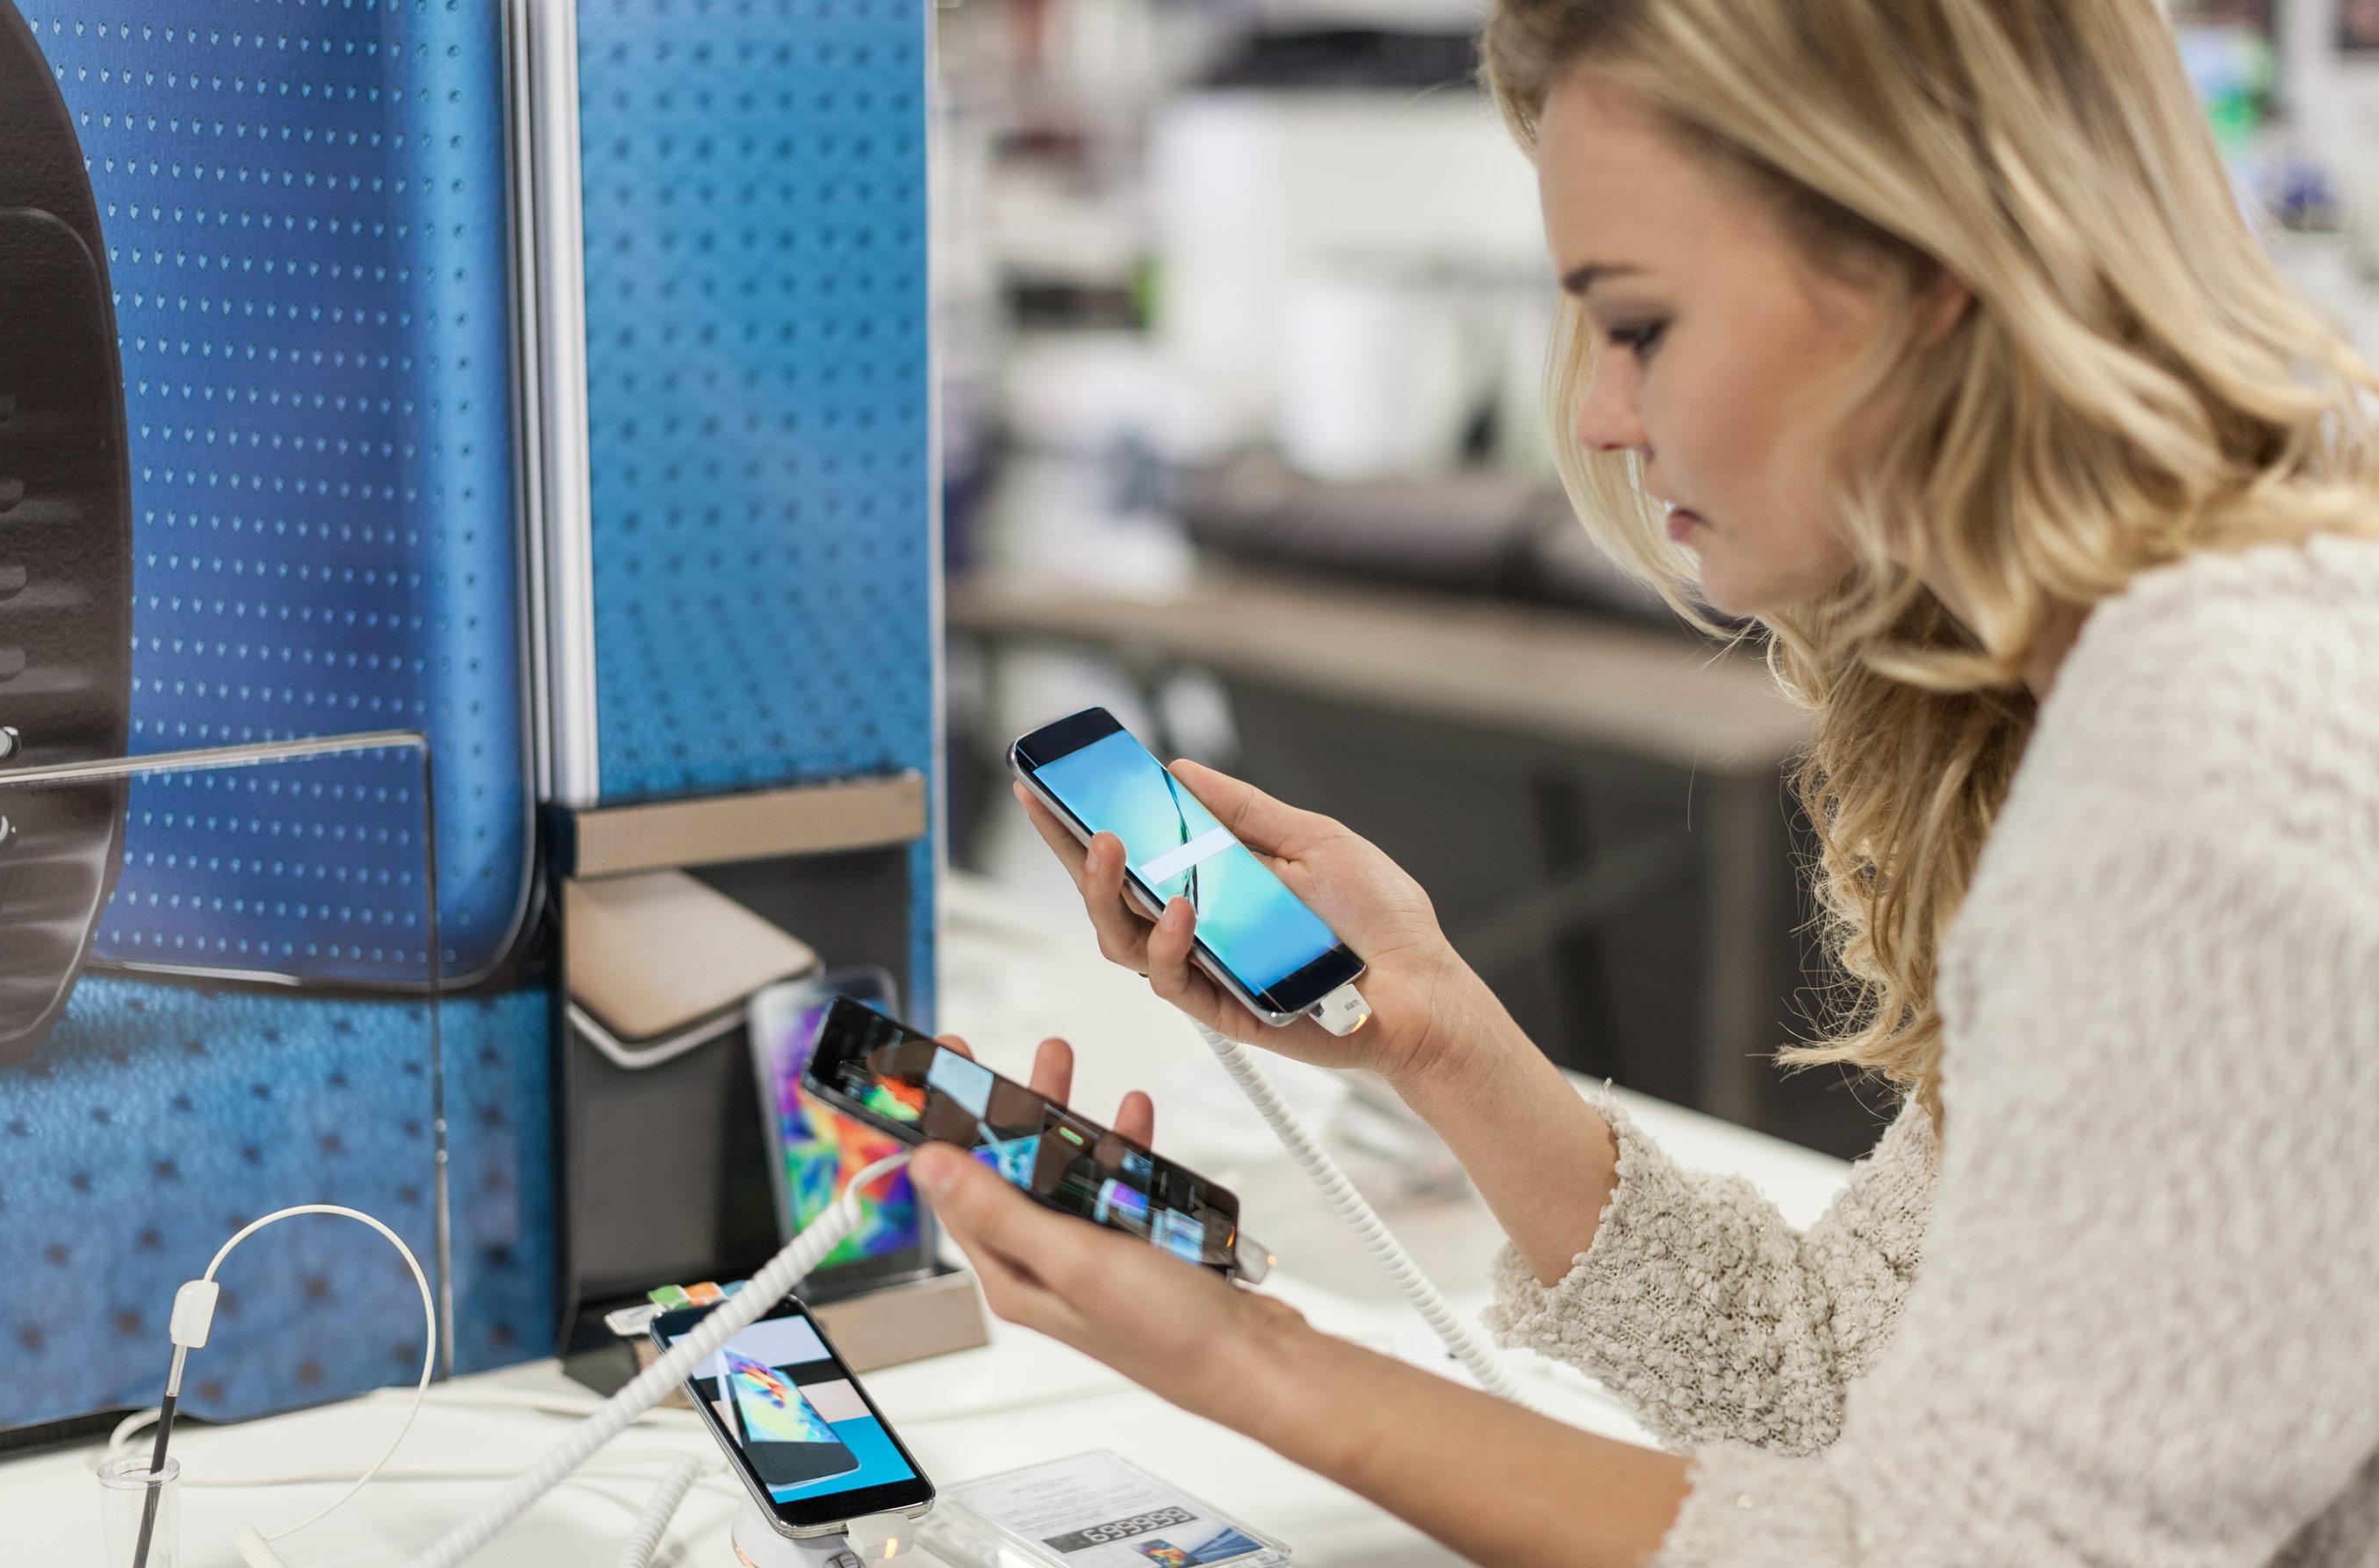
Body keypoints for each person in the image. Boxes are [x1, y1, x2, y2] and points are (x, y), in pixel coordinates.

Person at [912, 0, 2379, 1561]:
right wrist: (1440, 1031)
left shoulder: (2223, 761)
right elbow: (1838, 1372)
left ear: (1926, 268)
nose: (1602, 417)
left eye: (1642, 327)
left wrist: (1256, 1367)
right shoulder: (2095, 698)